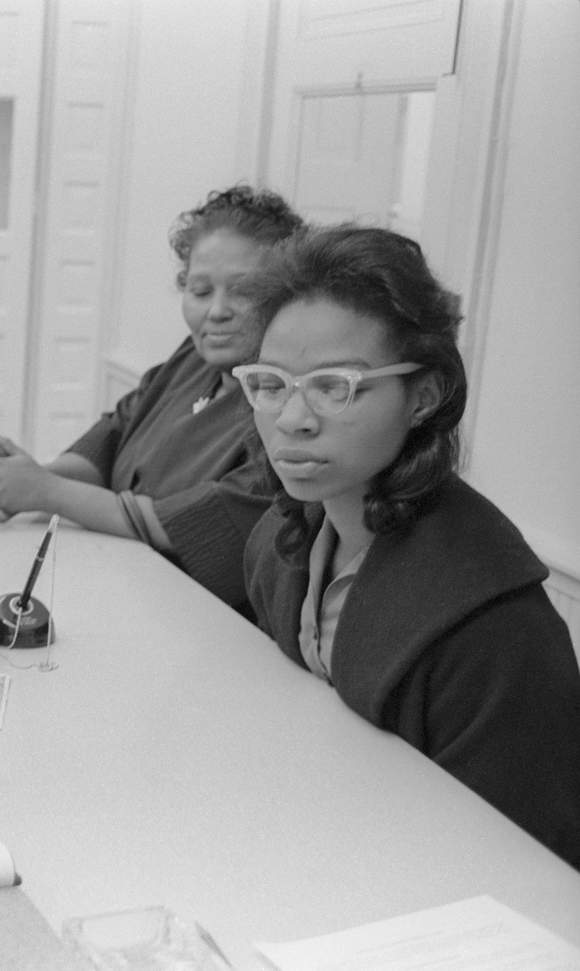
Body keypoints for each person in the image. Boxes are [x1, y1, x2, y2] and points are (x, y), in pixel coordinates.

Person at [235, 224, 580, 868]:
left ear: (423, 396)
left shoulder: (495, 631)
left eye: (335, 385)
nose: (292, 418)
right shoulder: (281, 542)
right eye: (272, 383)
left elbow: (520, 870)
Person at [0, 186, 304, 611]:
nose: (217, 311)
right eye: (200, 290)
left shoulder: (286, 408)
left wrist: (46, 491)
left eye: (243, 291)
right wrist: (20, 478)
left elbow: (190, 526)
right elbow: (113, 438)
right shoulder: (194, 360)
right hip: (118, 590)